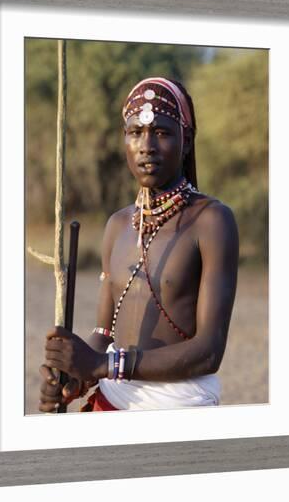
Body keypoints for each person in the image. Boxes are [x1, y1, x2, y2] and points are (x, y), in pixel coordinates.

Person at [39, 77, 239, 412]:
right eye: (135, 132)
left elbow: (209, 350)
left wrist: (105, 367)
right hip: (113, 398)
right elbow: (104, 333)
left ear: (186, 140)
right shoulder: (117, 225)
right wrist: (75, 377)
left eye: (161, 132)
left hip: (178, 407)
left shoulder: (212, 221)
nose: (146, 145)